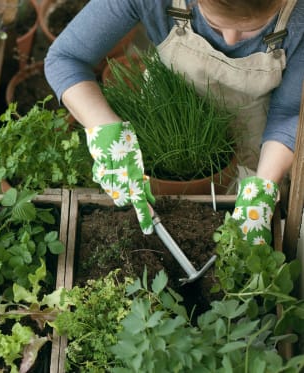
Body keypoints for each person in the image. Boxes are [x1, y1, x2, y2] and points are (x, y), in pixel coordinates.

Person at [44, 0, 304, 245]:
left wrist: (263, 186)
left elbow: (288, 111)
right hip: (167, 121)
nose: (229, 39)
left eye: (253, 29)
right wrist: (104, 127)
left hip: (257, 134)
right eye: (214, 24)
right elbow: (66, 58)